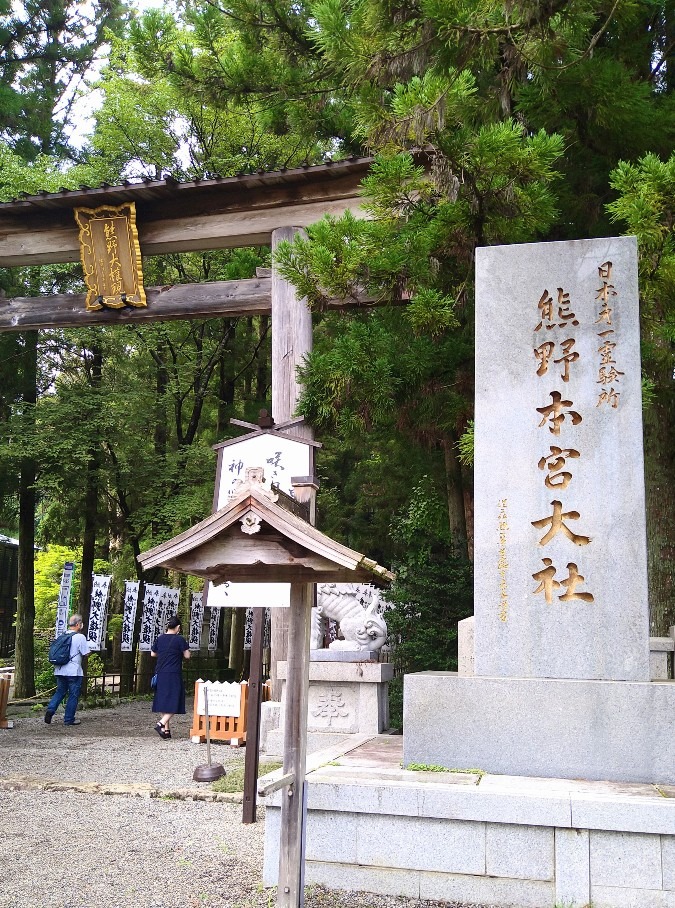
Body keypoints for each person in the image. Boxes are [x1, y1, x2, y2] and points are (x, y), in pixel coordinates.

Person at [44, 614, 90, 726]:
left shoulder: (62, 635)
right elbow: (86, 653)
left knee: (60, 691)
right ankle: (69, 719)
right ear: (78, 624)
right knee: (73, 695)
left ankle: (50, 710)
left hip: (59, 669)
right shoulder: (80, 637)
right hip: (74, 671)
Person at [151, 615, 190, 739]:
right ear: (178, 627)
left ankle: (166, 730)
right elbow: (187, 656)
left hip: (161, 673)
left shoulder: (160, 638)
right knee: (175, 700)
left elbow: (153, 653)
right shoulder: (179, 640)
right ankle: (161, 723)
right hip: (173, 673)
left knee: (164, 700)